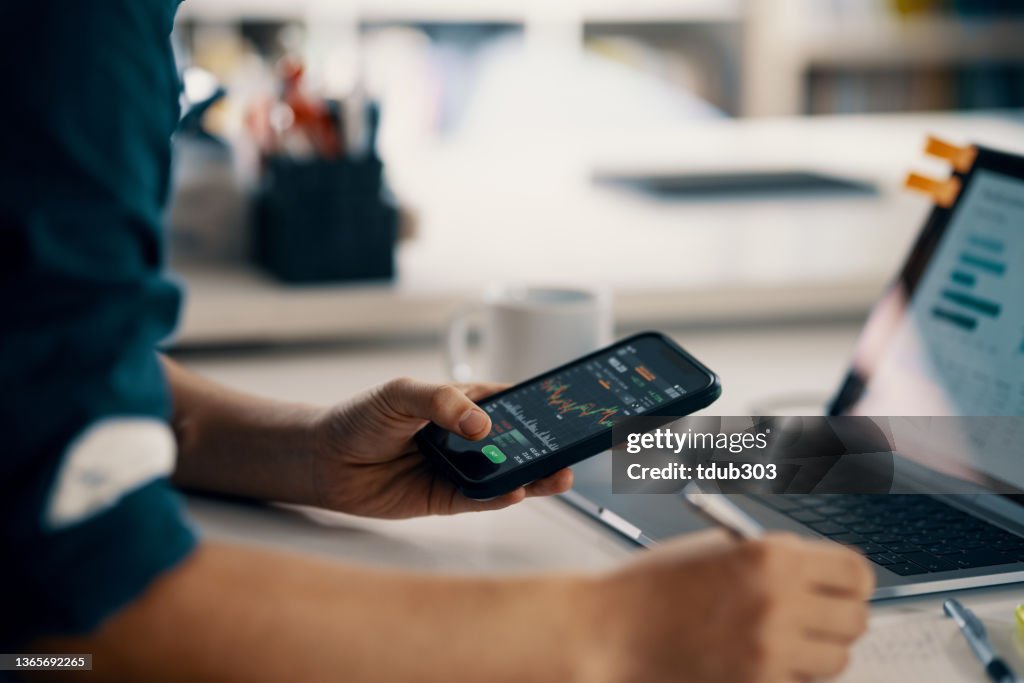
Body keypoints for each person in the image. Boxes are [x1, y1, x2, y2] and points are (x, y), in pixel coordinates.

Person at [1, 2, 874, 681]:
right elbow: (77, 622)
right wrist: (617, 635)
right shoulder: (75, 32)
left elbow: (34, 370)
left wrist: (300, 452)